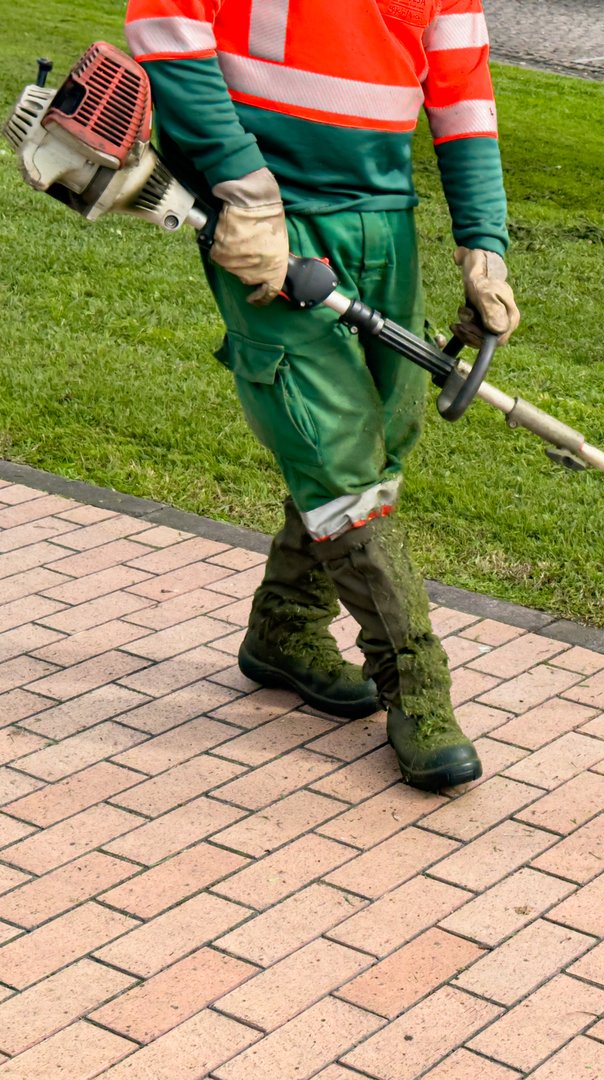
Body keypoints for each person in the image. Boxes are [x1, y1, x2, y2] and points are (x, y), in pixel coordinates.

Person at [123, 0, 518, 790]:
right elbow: (167, 27)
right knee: (335, 450)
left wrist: (484, 243)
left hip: (383, 215)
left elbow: (463, 91)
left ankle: (285, 624)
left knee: (386, 436)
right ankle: (417, 687)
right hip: (268, 215)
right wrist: (242, 188)